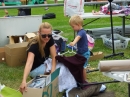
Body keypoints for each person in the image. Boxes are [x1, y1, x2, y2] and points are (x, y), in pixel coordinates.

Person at [19, 22, 57, 93]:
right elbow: (29, 63)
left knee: (59, 66)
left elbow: (54, 56)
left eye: (49, 35)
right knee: (57, 70)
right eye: (44, 36)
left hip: (44, 63)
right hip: (35, 69)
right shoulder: (34, 45)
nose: (47, 37)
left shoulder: (49, 39)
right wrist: (24, 80)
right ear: (39, 33)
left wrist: (53, 70)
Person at [69, 15, 90, 81]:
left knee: (83, 67)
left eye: (73, 26)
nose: (72, 28)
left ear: (78, 25)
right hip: (80, 52)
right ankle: (80, 77)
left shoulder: (82, 32)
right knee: (79, 66)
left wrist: (73, 43)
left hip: (84, 53)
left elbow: (78, 37)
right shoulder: (79, 31)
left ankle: (84, 80)